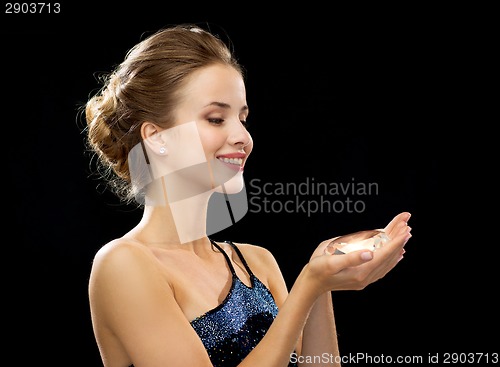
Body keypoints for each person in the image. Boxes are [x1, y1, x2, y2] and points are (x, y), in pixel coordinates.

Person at [84, 23, 412, 367]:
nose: (243, 136)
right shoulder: (123, 265)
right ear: (156, 137)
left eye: (242, 118)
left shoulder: (256, 263)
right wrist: (308, 286)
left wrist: (322, 286)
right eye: (215, 118)